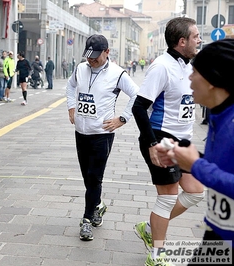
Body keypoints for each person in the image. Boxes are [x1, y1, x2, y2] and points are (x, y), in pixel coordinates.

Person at [131, 17, 204, 266]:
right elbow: (139, 108)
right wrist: (152, 144)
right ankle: (156, 256)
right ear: (181, 41)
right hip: (160, 137)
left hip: (183, 141)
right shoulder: (161, 66)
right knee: (167, 198)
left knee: (195, 192)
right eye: (195, 36)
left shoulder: (189, 66)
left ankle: (151, 228)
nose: (199, 40)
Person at [155, 38, 234, 265]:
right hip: (218, 235)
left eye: (195, 73)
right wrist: (181, 157)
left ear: (211, 80)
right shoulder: (218, 117)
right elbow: (222, 166)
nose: (189, 79)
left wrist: (197, 166)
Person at [66, 34, 139, 241]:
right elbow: (70, 86)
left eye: (96, 57)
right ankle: (98, 205)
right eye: (88, 56)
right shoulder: (80, 68)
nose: (91, 60)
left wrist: (122, 118)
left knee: (95, 177)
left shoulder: (118, 74)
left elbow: (136, 95)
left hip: (102, 135)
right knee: (87, 178)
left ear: (107, 52)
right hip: (81, 132)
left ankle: (87, 220)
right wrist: (71, 106)